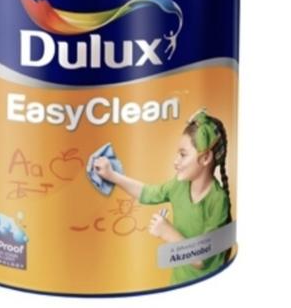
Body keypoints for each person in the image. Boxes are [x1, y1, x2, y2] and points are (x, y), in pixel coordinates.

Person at [93, 108, 233, 285]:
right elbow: (147, 193)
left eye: (183, 155)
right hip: (177, 283)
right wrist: (111, 175)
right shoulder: (179, 185)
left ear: (205, 158)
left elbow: (202, 258)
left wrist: (167, 232)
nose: (176, 161)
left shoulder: (218, 200)